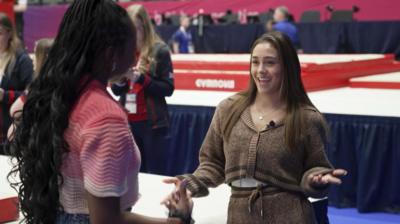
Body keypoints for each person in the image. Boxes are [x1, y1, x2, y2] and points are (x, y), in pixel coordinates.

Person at [8, 1, 192, 223]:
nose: (135, 58)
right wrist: (176, 221)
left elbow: (15, 116)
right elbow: (107, 220)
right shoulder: (105, 117)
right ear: (110, 53)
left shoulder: (56, 92)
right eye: (131, 48)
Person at [164, 32, 347, 224]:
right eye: (255, 62)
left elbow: (316, 167)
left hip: (291, 216)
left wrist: (314, 179)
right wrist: (191, 184)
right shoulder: (228, 109)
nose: (260, 70)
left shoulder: (306, 118)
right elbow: (213, 162)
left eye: (270, 62)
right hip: (240, 215)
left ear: (287, 67)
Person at [111, 4, 174, 174]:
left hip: (152, 125)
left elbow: (168, 88)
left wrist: (142, 79)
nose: (133, 34)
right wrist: (122, 81)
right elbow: (116, 90)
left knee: (154, 174)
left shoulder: (159, 50)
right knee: (132, 176)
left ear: (144, 27)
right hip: (128, 124)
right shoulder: (124, 51)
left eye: (136, 29)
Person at [7, 38, 54, 139]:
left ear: (43, 59)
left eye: (35, 54)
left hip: (32, 144)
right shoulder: (55, 86)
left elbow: (13, 110)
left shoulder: (38, 87)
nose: (31, 58)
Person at [0, 12, 33, 149]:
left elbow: (31, 95)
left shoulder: (21, 60)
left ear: (9, 33)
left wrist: (5, 96)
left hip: (9, 134)